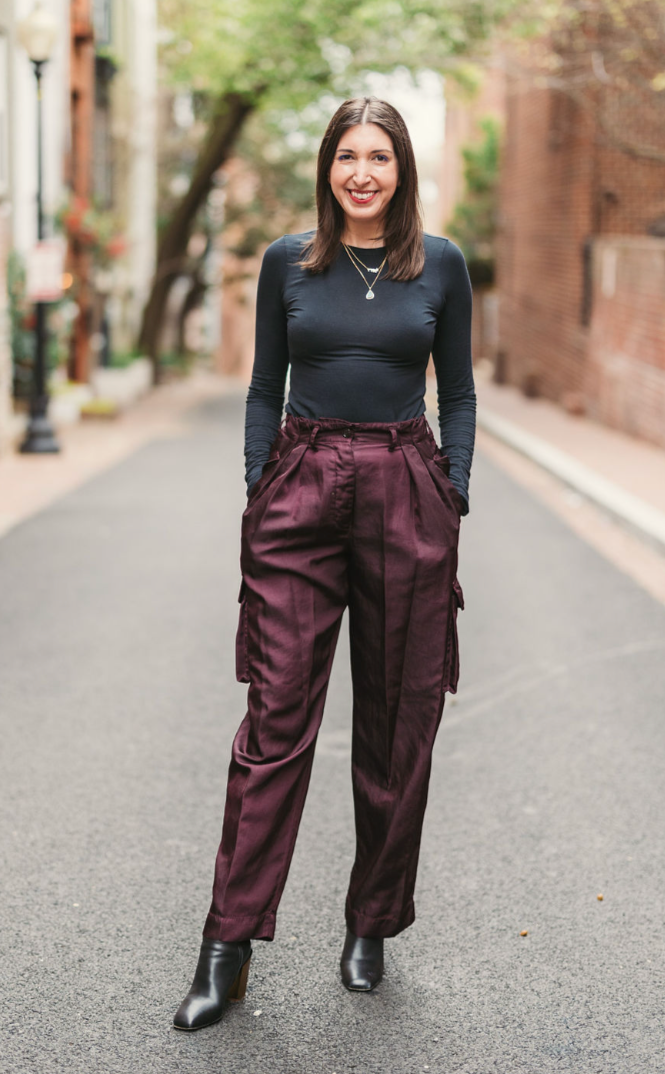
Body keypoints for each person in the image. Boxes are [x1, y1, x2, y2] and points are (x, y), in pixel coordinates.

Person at [173, 95, 476, 1032]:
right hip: (300, 486)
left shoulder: (442, 266)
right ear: (327, 166)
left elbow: (458, 393)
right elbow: (264, 385)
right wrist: (261, 484)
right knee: (274, 718)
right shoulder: (287, 262)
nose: (361, 173)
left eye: (377, 157)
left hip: (403, 486)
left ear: (401, 170)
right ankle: (226, 948)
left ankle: (370, 925)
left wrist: (451, 491)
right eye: (347, 155)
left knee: (399, 721)